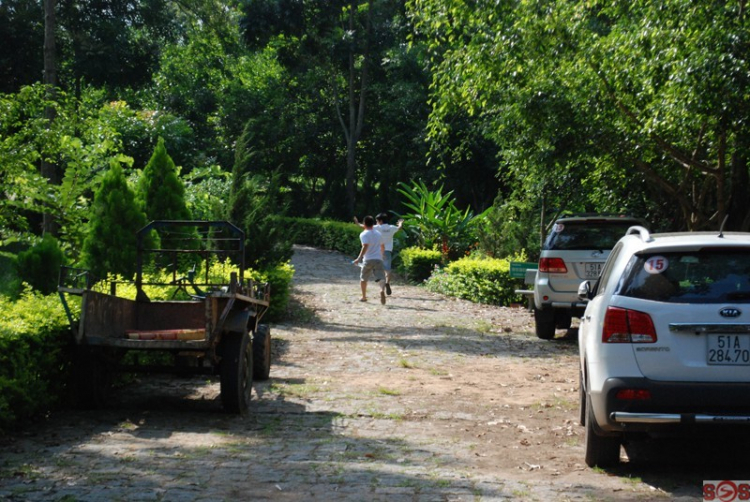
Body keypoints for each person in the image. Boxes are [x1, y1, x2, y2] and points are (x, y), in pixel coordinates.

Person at [354, 212, 403, 295]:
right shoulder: (391, 227)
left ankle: (378, 281)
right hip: (388, 250)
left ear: (380, 221)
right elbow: (399, 228)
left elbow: (365, 226)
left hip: (378, 251)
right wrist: (401, 223)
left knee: (375, 268)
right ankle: (387, 283)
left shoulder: (377, 228)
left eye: (377, 221)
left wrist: (357, 223)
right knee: (387, 269)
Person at [352, 215, 387, 304]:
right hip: (378, 258)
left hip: (368, 259)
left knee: (363, 278)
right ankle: (382, 290)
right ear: (373, 223)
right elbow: (382, 246)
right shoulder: (378, 234)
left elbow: (365, 246)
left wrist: (358, 258)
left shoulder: (363, 234)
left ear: (364, 223)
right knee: (381, 277)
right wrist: (382, 255)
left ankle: (364, 296)